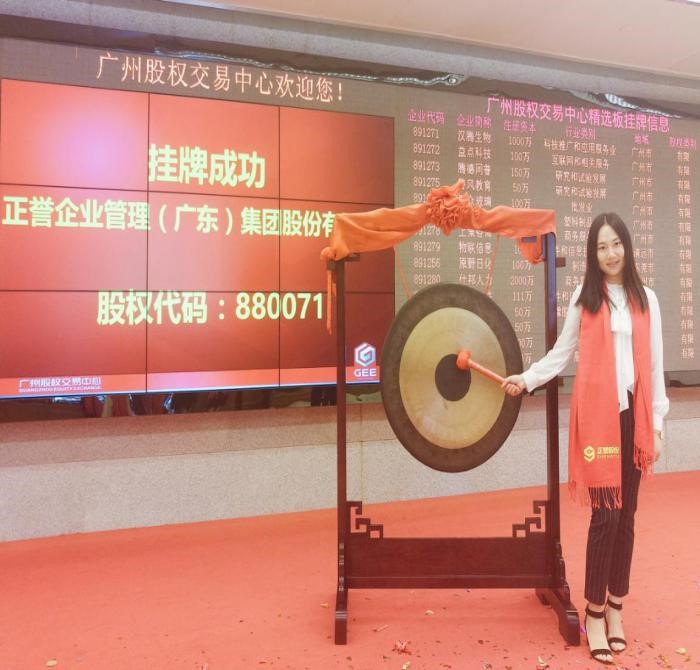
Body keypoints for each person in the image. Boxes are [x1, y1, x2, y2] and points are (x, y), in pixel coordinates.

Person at [501, 212, 668, 665]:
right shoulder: (585, 298)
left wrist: (657, 424)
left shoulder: (647, 299)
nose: (611, 253)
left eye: (616, 244)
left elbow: (655, 365)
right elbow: (561, 355)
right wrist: (526, 379)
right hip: (599, 419)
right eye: (602, 246)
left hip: (635, 417)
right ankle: (594, 612)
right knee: (605, 516)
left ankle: (616, 607)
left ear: (627, 247)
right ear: (593, 254)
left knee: (627, 517)